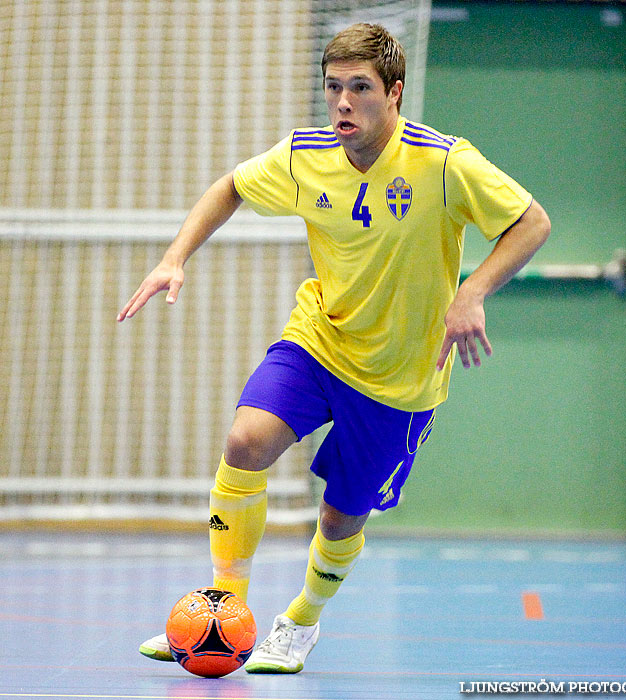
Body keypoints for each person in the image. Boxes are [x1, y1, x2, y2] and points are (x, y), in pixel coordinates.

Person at [117, 23, 550, 674]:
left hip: (400, 377)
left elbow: (530, 222)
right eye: (332, 88)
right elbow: (231, 185)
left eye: (359, 88)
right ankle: (222, 606)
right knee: (245, 442)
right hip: (320, 339)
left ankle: (300, 623)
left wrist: (472, 292)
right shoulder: (305, 155)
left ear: (394, 93)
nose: (342, 102)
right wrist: (175, 258)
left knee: (339, 515)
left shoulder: (443, 162)